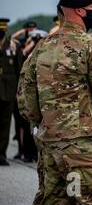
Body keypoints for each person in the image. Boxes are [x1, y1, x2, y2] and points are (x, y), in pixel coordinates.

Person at [17, 0, 92, 205]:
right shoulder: (88, 45)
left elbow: (25, 90)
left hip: (48, 144)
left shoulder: (43, 46)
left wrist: (37, 122)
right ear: (80, 11)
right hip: (77, 145)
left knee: (55, 200)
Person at [13, 29, 48, 163]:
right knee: (30, 129)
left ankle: (37, 154)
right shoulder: (27, 58)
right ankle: (27, 153)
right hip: (31, 100)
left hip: (43, 99)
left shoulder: (47, 56)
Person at [0, 18, 24, 166]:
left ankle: (1, 154)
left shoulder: (14, 46)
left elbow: (19, 69)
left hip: (8, 91)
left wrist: (19, 91)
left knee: (5, 123)